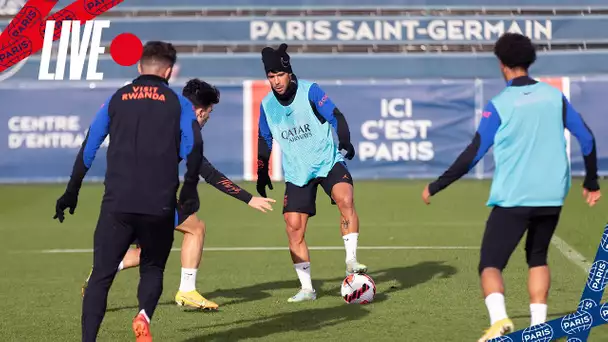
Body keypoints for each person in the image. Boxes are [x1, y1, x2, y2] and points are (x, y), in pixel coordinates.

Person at [421, 32, 601, 341]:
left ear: (502, 64)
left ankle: (499, 319)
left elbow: (473, 153)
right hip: (552, 195)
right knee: (538, 257)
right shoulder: (554, 96)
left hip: (514, 197)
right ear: (529, 62)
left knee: (490, 263)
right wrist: (591, 181)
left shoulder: (500, 104)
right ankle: (539, 325)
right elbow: (586, 138)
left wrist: (438, 185)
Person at [81, 79, 276, 311]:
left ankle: (102, 271)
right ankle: (187, 290)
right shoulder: (185, 131)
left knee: (147, 250)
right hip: (149, 195)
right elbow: (210, 174)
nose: (208, 118)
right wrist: (249, 198)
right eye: (209, 112)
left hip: (122, 189)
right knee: (196, 228)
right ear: (200, 111)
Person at [54, 41, 204, 342]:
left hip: (117, 202)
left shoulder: (116, 99)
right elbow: (194, 147)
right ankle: (143, 315)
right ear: (170, 71)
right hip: (159, 203)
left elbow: (90, 146)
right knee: (152, 268)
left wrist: (72, 191)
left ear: (139, 67)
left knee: (100, 276)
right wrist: (189, 189)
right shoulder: (179, 103)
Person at [255, 43, 367, 303]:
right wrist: (263, 171)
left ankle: (351, 260)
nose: (276, 81)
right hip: (297, 172)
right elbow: (264, 138)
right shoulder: (267, 104)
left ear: (289, 73)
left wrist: (345, 141)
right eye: (271, 77)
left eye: (279, 75)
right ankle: (307, 289)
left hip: (327, 162)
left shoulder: (310, 90)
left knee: (345, 199)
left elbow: (335, 116)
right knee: (294, 229)